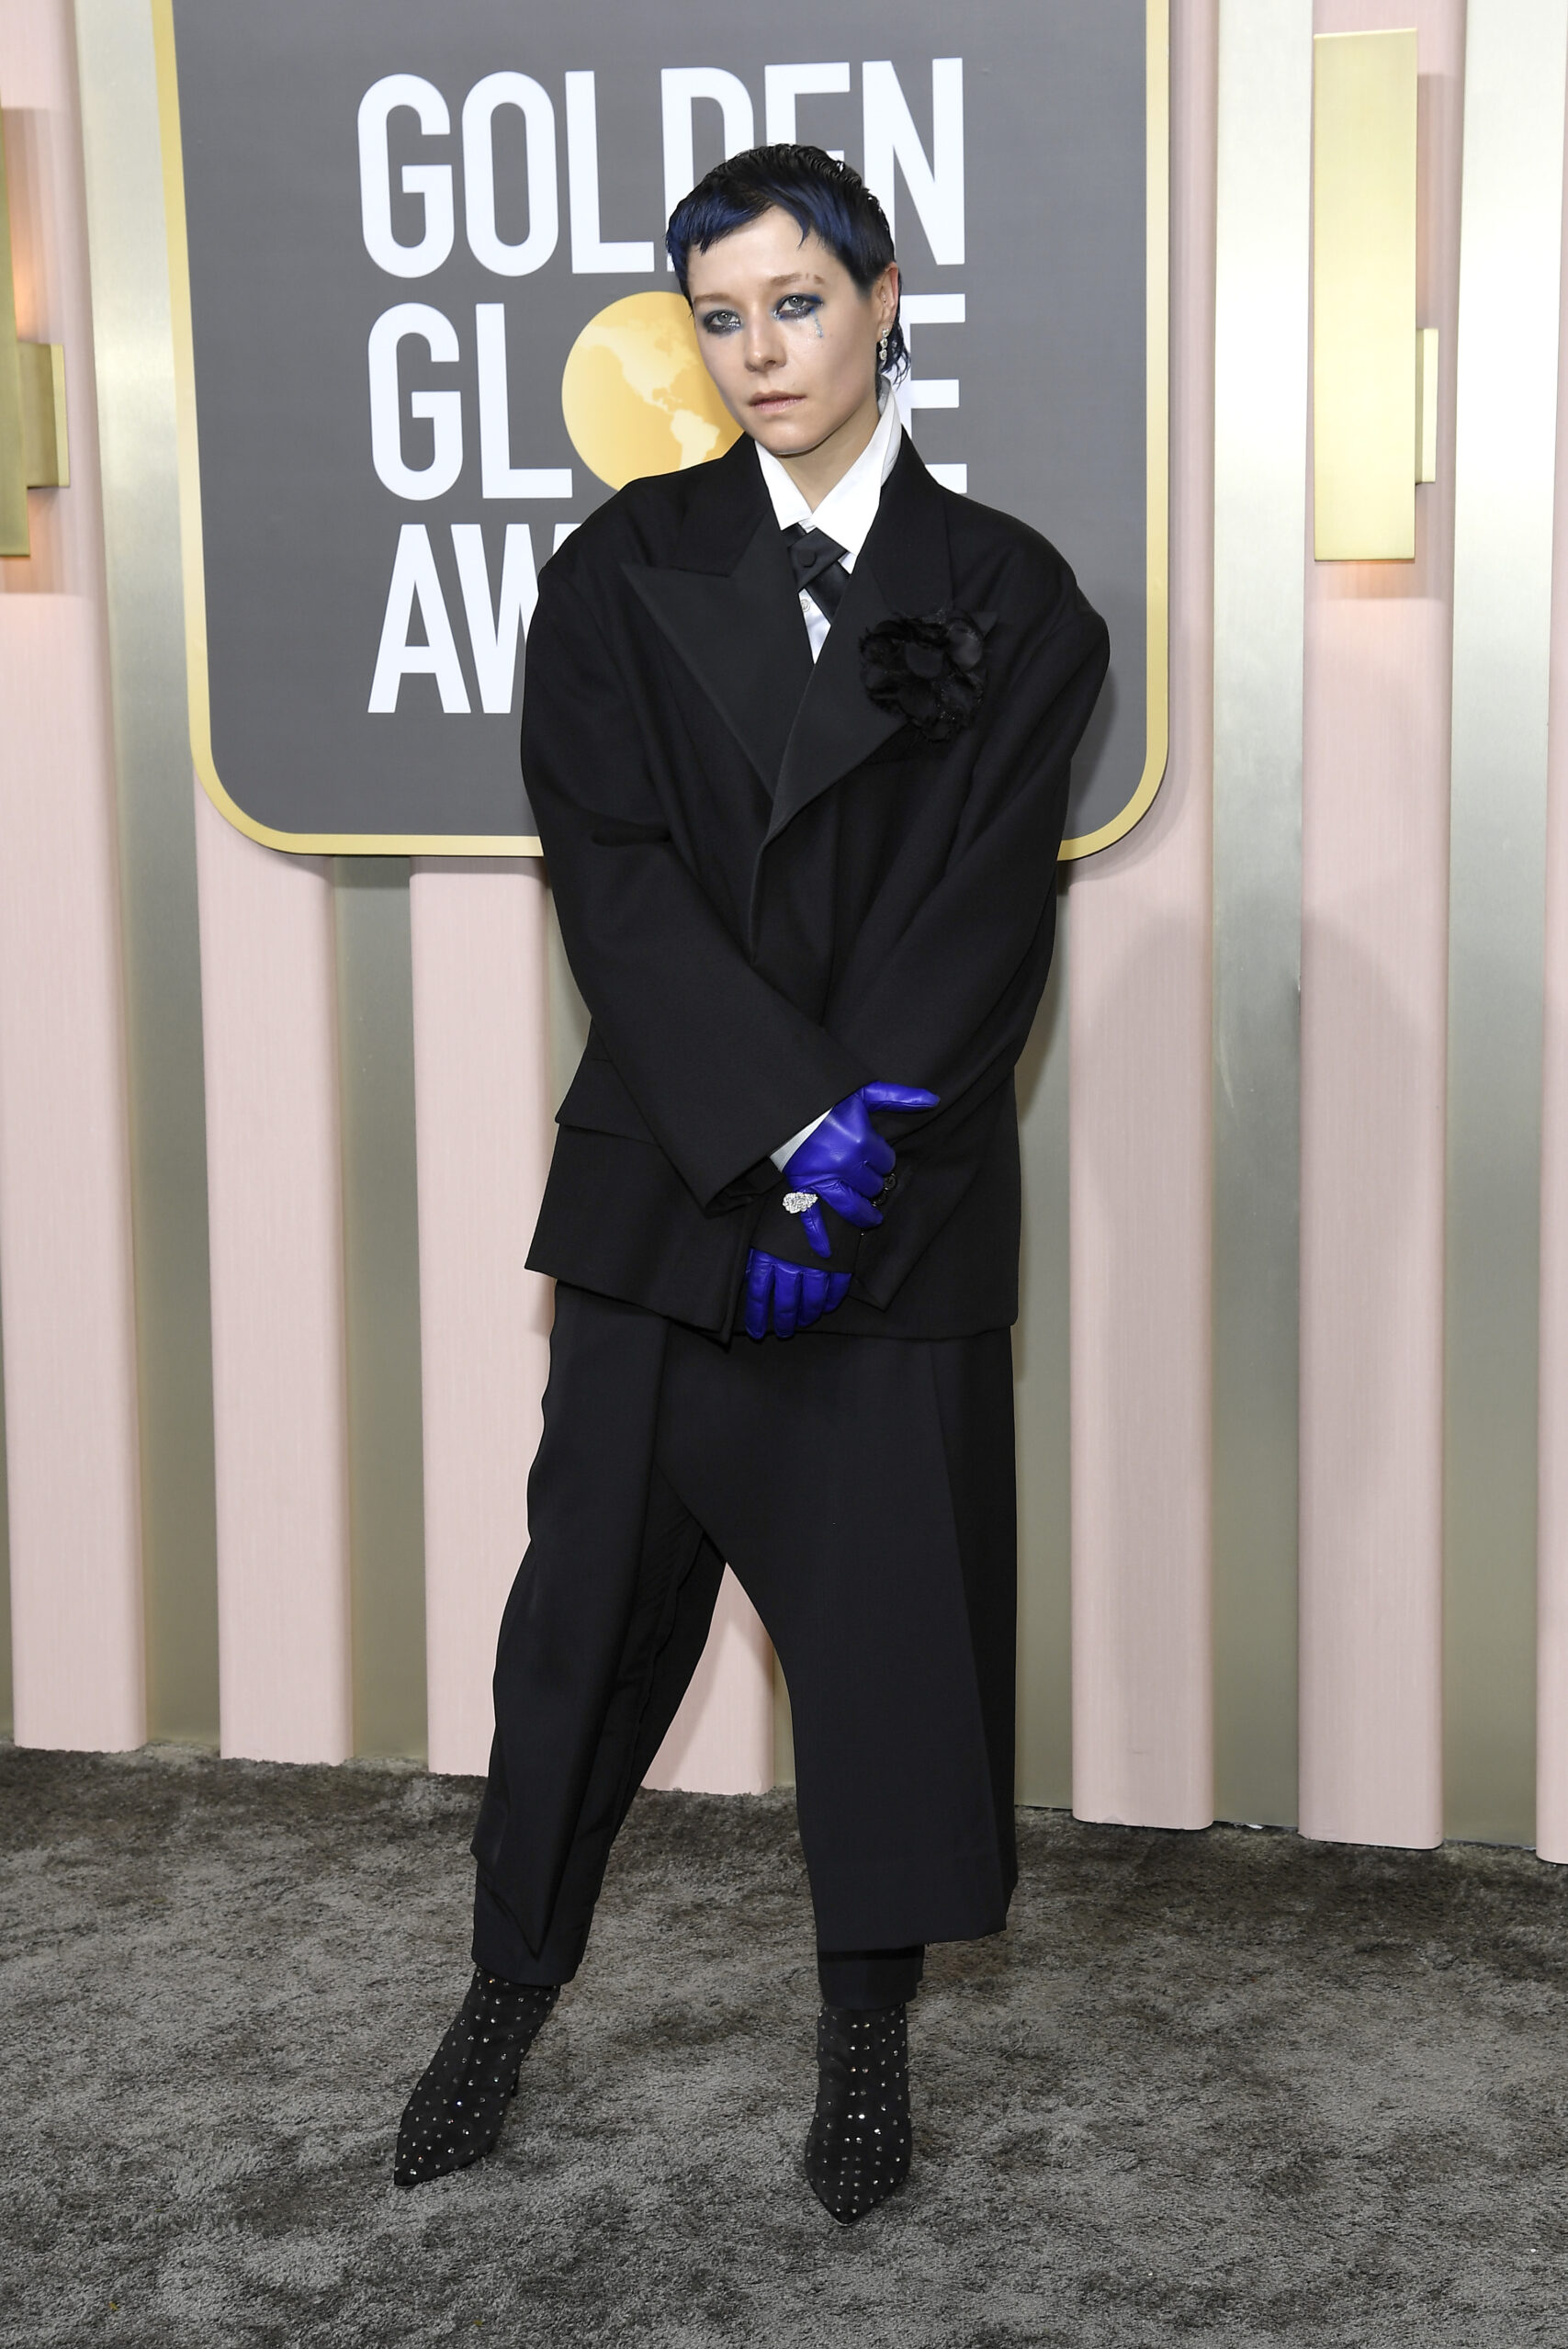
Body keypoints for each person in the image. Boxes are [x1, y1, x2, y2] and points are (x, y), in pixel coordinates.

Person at [395, 143, 1109, 2223]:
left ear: (884, 296)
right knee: (580, 1633)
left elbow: (980, 912)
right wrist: (772, 1132)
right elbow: (602, 876)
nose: (757, 351)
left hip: (888, 1209)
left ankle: (863, 2046)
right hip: (667, 1186)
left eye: (794, 302)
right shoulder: (618, 568)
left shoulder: (1015, 596)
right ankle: (499, 1998)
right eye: (718, 316)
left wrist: (848, 1162)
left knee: (885, 1645)